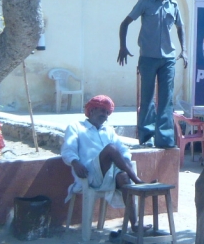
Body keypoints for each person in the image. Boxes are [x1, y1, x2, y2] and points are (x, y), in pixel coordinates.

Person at [118, 0, 186, 148]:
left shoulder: (174, 5)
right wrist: (123, 46)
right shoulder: (145, 3)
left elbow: (180, 28)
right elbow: (125, 23)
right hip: (148, 58)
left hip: (168, 60)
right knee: (147, 99)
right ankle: (147, 139)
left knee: (166, 100)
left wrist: (184, 50)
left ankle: (165, 140)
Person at [62, 95, 145, 228]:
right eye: (102, 111)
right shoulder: (76, 126)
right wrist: (75, 162)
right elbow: (67, 150)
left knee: (123, 176)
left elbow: (123, 150)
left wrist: (125, 161)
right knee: (111, 149)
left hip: (109, 175)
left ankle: (135, 225)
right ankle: (137, 180)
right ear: (92, 110)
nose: (105, 115)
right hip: (89, 174)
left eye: (107, 112)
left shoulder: (109, 130)